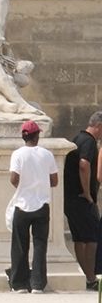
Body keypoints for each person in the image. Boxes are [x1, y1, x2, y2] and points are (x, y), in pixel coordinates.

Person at [8, 120, 57, 294]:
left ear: (23, 136)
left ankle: (19, 283)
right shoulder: (47, 154)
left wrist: (25, 186)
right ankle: (37, 283)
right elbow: (54, 181)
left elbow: (14, 178)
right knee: (40, 245)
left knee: (20, 245)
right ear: (37, 135)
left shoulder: (18, 154)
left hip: (22, 204)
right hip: (42, 205)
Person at [64, 111, 102, 291]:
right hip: (81, 198)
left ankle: (89, 277)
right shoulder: (88, 141)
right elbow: (84, 164)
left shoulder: (77, 138)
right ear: (99, 126)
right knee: (92, 237)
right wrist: (87, 193)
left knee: (81, 238)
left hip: (71, 198)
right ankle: (90, 276)